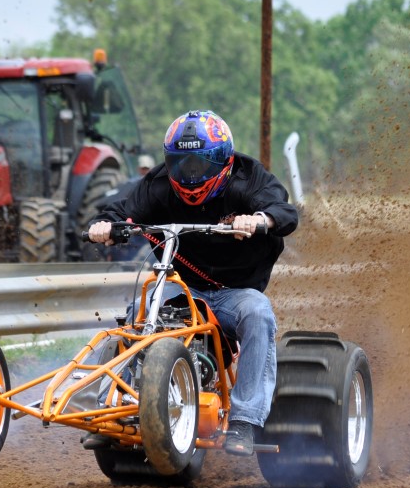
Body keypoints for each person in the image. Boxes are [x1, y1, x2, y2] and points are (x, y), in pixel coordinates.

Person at [87, 109, 299, 456]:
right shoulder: (157, 185)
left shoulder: (248, 178)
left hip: (235, 293)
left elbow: (285, 211)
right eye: (180, 164)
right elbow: (123, 210)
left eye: (198, 165)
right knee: (140, 308)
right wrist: (106, 226)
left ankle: (245, 421)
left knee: (258, 313)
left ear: (222, 162)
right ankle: (119, 406)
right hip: (183, 288)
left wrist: (260, 219)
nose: (189, 175)